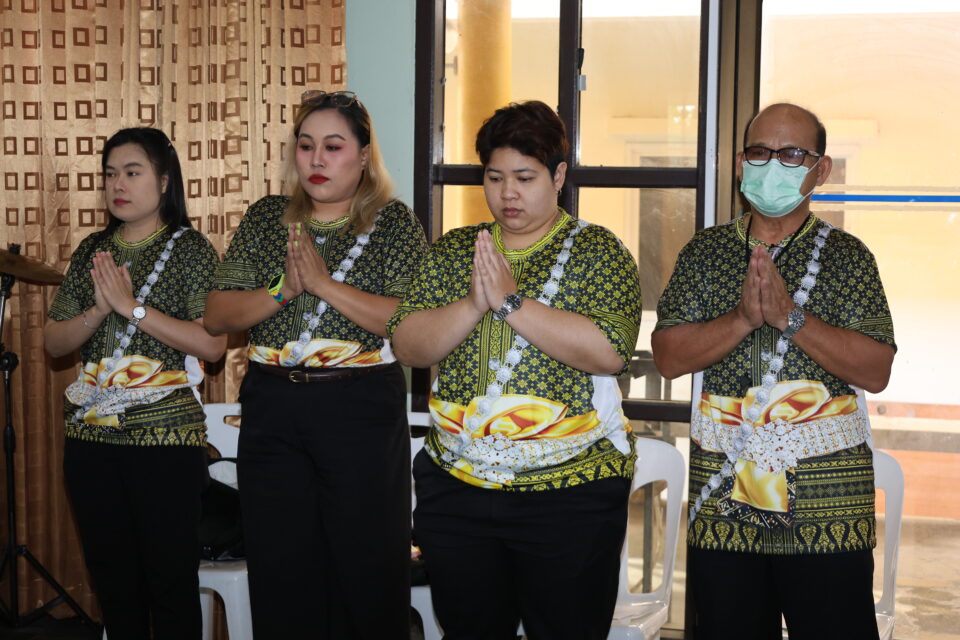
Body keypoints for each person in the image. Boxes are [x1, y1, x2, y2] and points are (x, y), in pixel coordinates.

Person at [389, 100, 643, 640]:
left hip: (572, 490)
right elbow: (408, 344)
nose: (508, 193)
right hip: (458, 485)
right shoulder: (457, 250)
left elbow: (611, 350)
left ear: (559, 176)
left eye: (525, 178)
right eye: (495, 177)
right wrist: (474, 303)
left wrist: (510, 302)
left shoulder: (598, 252)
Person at [652, 103, 896, 640]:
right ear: (741, 163)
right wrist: (741, 320)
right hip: (725, 507)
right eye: (761, 152)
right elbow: (668, 357)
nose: (772, 165)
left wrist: (790, 318)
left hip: (828, 510)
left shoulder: (848, 258)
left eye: (791, 155)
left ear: (820, 169)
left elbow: (876, 369)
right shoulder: (706, 254)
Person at [204, 90, 427, 639]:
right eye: (306, 146)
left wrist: (324, 285)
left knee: (366, 568)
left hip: (359, 405)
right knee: (281, 568)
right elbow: (217, 315)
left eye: (333, 146)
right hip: (273, 404)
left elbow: (413, 321)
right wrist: (283, 290)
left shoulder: (393, 223)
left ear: (364, 154)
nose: (317, 160)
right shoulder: (268, 218)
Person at [44, 127, 226, 640]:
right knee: (115, 590)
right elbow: (54, 342)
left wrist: (132, 308)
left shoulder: (190, 250)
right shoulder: (93, 251)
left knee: (170, 588)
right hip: (91, 442)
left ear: (164, 181)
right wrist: (100, 310)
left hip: (165, 444)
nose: (117, 185)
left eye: (131, 172)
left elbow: (212, 346)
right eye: (110, 174)